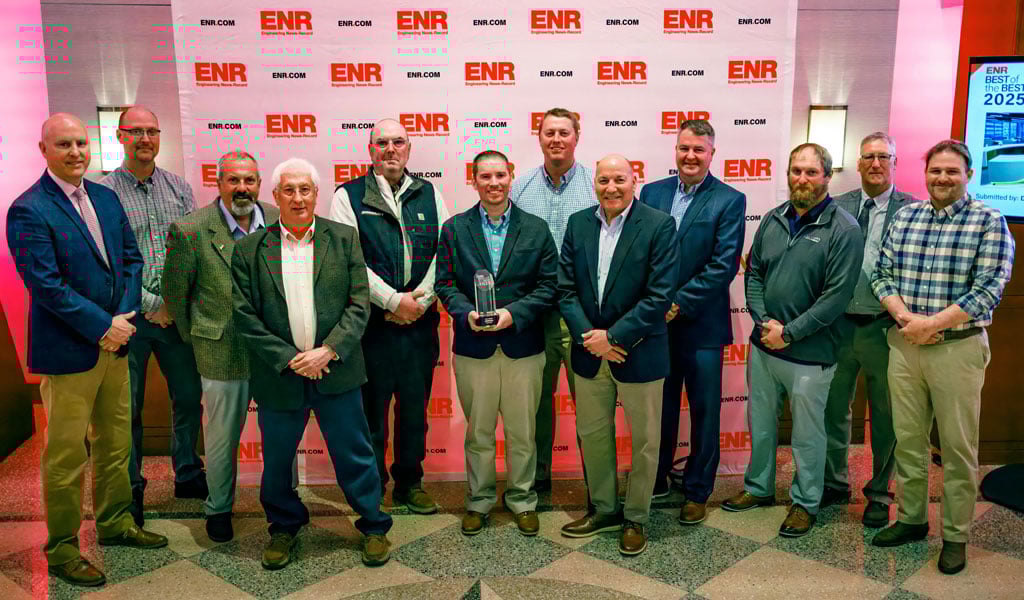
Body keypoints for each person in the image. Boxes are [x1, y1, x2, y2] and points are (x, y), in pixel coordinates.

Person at [6, 113, 168, 587]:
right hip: (71, 352)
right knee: (65, 456)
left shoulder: (105, 197)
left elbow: (132, 261)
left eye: (81, 143)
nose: (76, 152)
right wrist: (103, 326)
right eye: (64, 144)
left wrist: (123, 319)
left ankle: (115, 522)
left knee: (116, 444)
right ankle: (61, 548)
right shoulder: (29, 208)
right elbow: (46, 286)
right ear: (44, 150)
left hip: (116, 345)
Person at [231, 158, 393, 569]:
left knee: (355, 454)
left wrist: (329, 350)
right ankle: (283, 525)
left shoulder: (343, 238)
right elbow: (244, 315)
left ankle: (373, 524)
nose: (298, 198)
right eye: (289, 190)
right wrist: (289, 358)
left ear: (316, 194)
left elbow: (359, 303)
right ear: (275, 196)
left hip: (336, 370)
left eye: (305, 189)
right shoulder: (250, 249)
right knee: (277, 460)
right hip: (280, 376)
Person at [870, 140, 1014, 575]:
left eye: (952, 171)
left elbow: (988, 289)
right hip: (905, 345)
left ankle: (955, 535)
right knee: (908, 440)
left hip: (957, 349)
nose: (943, 178)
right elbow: (881, 273)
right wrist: (905, 318)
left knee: (956, 448)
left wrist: (930, 324)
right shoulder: (906, 217)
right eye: (936, 171)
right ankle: (912, 519)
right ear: (925, 174)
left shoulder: (989, 222)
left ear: (968, 175)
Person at [722, 143, 863, 538]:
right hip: (765, 347)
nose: (802, 179)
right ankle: (758, 487)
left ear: (827, 177)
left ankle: (805, 502)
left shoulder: (844, 229)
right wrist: (764, 321)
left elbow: (835, 297)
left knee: (807, 435)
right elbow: (754, 274)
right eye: (796, 171)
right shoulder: (773, 218)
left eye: (811, 172)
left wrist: (790, 332)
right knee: (761, 425)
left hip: (810, 354)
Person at [557, 154, 676, 556]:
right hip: (589, 351)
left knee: (645, 441)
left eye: (619, 179)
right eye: (604, 180)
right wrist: (592, 339)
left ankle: (636, 517)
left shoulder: (659, 225)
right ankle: (605, 509)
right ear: (595, 183)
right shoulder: (578, 224)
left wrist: (613, 337)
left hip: (638, 351)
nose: (611, 188)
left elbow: (659, 296)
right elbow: (565, 290)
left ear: (634, 180)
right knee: (593, 435)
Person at [329, 118, 449, 514]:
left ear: (409, 149)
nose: (391, 149)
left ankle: (410, 483)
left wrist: (419, 302)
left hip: (419, 325)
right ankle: (373, 486)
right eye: (382, 142)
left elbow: (444, 252)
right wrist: (393, 301)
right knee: (371, 414)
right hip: (372, 328)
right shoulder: (348, 196)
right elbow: (349, 260)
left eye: (399, 142)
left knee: (415, 412)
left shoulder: (429, 193)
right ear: (371, 150)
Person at [435, 150, 558, 536]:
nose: (494, 183)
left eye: (500, 175)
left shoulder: (535, 228)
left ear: (511, 176)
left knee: (523, 433)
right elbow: (444, 284)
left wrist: (513, 314)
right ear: (473, 180)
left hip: (523, 346)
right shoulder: (454, 229)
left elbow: (549, 286)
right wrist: (465, 313)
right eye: (485, 176)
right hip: (475, 348)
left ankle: (522, 499)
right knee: (479, 433)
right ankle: (479, 500)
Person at [162, 151, 279, 542]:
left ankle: (283, 507)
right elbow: (175, 294)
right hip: (221, 351)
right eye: (233, 180)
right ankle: (218, 508)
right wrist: (199, 335)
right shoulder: (190, 229)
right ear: (219, 183)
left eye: (249, 180)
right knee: (221, 438)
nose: (242, 188)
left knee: (280, 435)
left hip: (273, 353)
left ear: (259, 183)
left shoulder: (279, 219)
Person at [99, 106, 206, 523]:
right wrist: (150, 304)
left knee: (189, 398)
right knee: (128, 407)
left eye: (152, 131)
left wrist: (173, 306)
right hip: (127, 319)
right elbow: (108, 261)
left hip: (177, 317)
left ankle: (188, 472)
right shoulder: (103, 194)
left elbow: (194, 252)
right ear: (120, 136)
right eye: (136, 131)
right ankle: (131, 487)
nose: (145, 139)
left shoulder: (179, 188)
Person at [638, 119, 746, 524]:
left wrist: (678, 303)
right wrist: (656, 306)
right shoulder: (651, 193)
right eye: (684, 148)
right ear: (675, 150)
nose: (690, 156)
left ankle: (698, 490)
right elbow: (640, 252)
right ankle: (656, 478)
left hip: (701, 326)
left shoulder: (729, 200)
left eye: (699, 149)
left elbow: (723, 265)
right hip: (656, 327)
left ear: (712, 153)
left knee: (704, 412)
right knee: (659, 409)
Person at [822, 132, 915, 527]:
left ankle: (879, 492)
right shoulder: (836, 206)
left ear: (895, 162)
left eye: (884, 157)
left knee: (885, 415)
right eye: (869, 157)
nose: (876, 163)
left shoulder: (913, 210)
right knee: (833, 409)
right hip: (839, 326)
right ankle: (833, 482)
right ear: (858, 163)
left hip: (884, 328)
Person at [510, 108, 599, 492]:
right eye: (550, 133)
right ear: (540, 138)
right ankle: (536, 479)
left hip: (583, 314)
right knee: (535, 405)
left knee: (591, 404)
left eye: (564, 132)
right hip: (535, 314)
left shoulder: (597, 186)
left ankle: (597, 486)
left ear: (577, 136)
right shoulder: (520, 188)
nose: (557, 139)